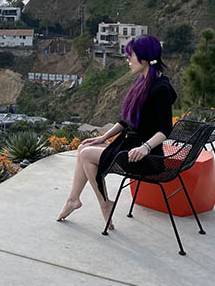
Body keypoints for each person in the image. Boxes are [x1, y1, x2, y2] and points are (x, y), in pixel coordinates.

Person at [56, 34, 177, 227]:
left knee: (86, 155)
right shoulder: (144, 81)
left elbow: (165, 129)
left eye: (131, 56)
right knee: (84, 148)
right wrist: (103, 138)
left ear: (144, 59)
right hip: (131, 146)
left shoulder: (160, 88)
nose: (128, 60)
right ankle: (73, 200)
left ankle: (104, 205)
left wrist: (145, 147)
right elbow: (126, 120)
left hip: (146, 158)